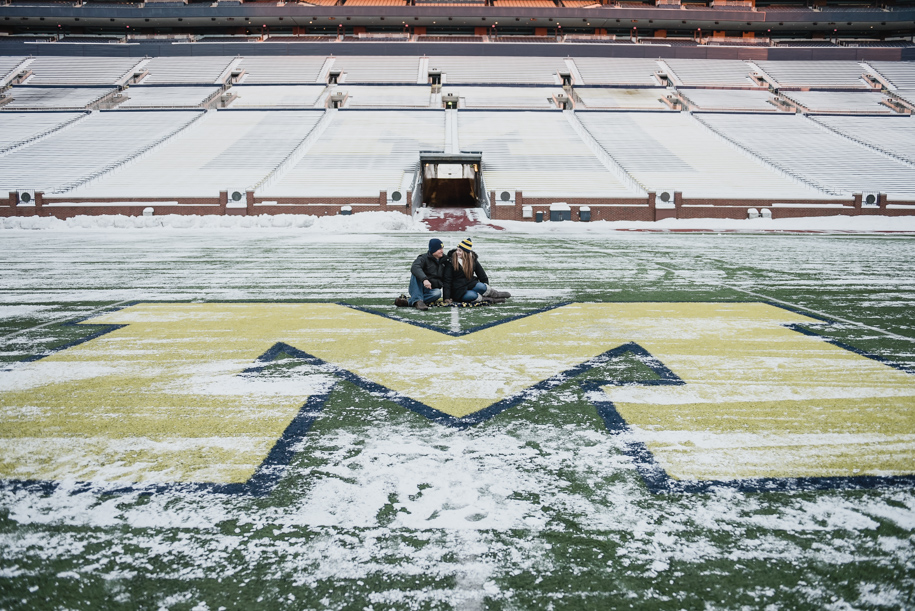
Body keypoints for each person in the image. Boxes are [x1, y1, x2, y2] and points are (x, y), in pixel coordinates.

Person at [442, 238, 511, 305]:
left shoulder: (472, 259)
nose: (457, 252)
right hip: (458, 290)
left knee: (482, 286)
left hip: (470, 283)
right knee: (473, 295)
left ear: (466, 252)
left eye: (460, 251)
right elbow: (447, 281)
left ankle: (496, 294)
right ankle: (491, 300)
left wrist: (486, 289)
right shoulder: (451, 262)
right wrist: (447, 298)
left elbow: (482, 275)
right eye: (457, 250)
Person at [403, 238, 447, 311]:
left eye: (442, 248)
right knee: (416, 273)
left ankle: (410, 302)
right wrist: (424, 279)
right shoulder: (423, 258)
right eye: (439, 249)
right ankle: (418, 300)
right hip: (420, 287)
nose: (442, 251)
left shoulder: (444, 260)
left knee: (437, 293)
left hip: (431, 289)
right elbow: (415, 267)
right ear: (433, 249)